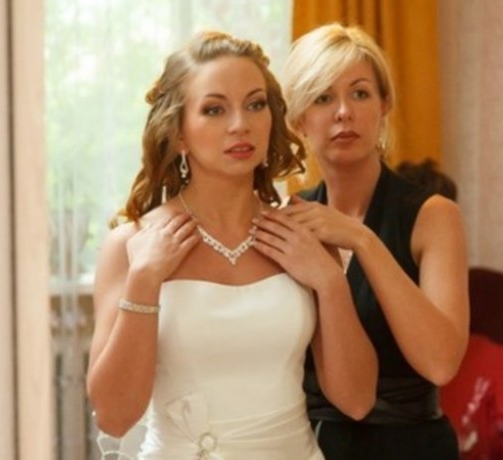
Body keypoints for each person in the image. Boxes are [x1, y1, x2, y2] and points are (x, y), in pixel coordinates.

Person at [86, 30, 377, 459]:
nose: (241, 124)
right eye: (214, 109)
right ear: (179, 133)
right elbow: (113, 417)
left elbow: (357, 400)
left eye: (255, 104)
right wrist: (145, 279)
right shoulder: (131, 245)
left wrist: (330, 281)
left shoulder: (304, 235)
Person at [259, 23, 470, 459]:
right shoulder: (289, 220)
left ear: (384, 104)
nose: (343, 112)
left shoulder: (433, 216)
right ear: (299, 120)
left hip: (413, 449)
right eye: (323, 98)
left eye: (359, 93)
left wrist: (362, 239)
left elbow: (441, 363)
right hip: (310, 446)